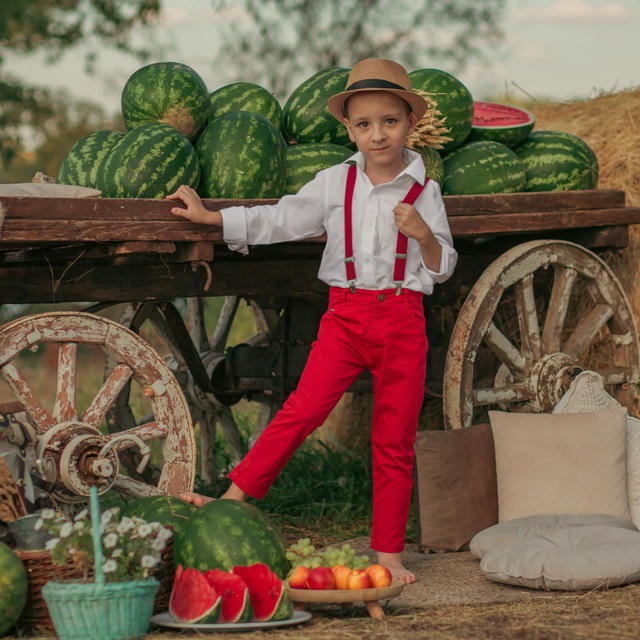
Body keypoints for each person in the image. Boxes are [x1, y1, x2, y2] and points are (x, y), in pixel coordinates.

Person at [167, 58, 458, 583]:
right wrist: (214, 219)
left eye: (390, 121)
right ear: (347, 128)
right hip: (344, 317)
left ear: (410, 124)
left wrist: (422, 235)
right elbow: (279, 218)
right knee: (301, 410)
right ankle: (234, 497)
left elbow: (443, 267)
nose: (378, 134)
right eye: (364, 124)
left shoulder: (425, 192)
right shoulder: (333, 183)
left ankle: (388, 551)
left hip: (401, 318)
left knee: (393, 437)